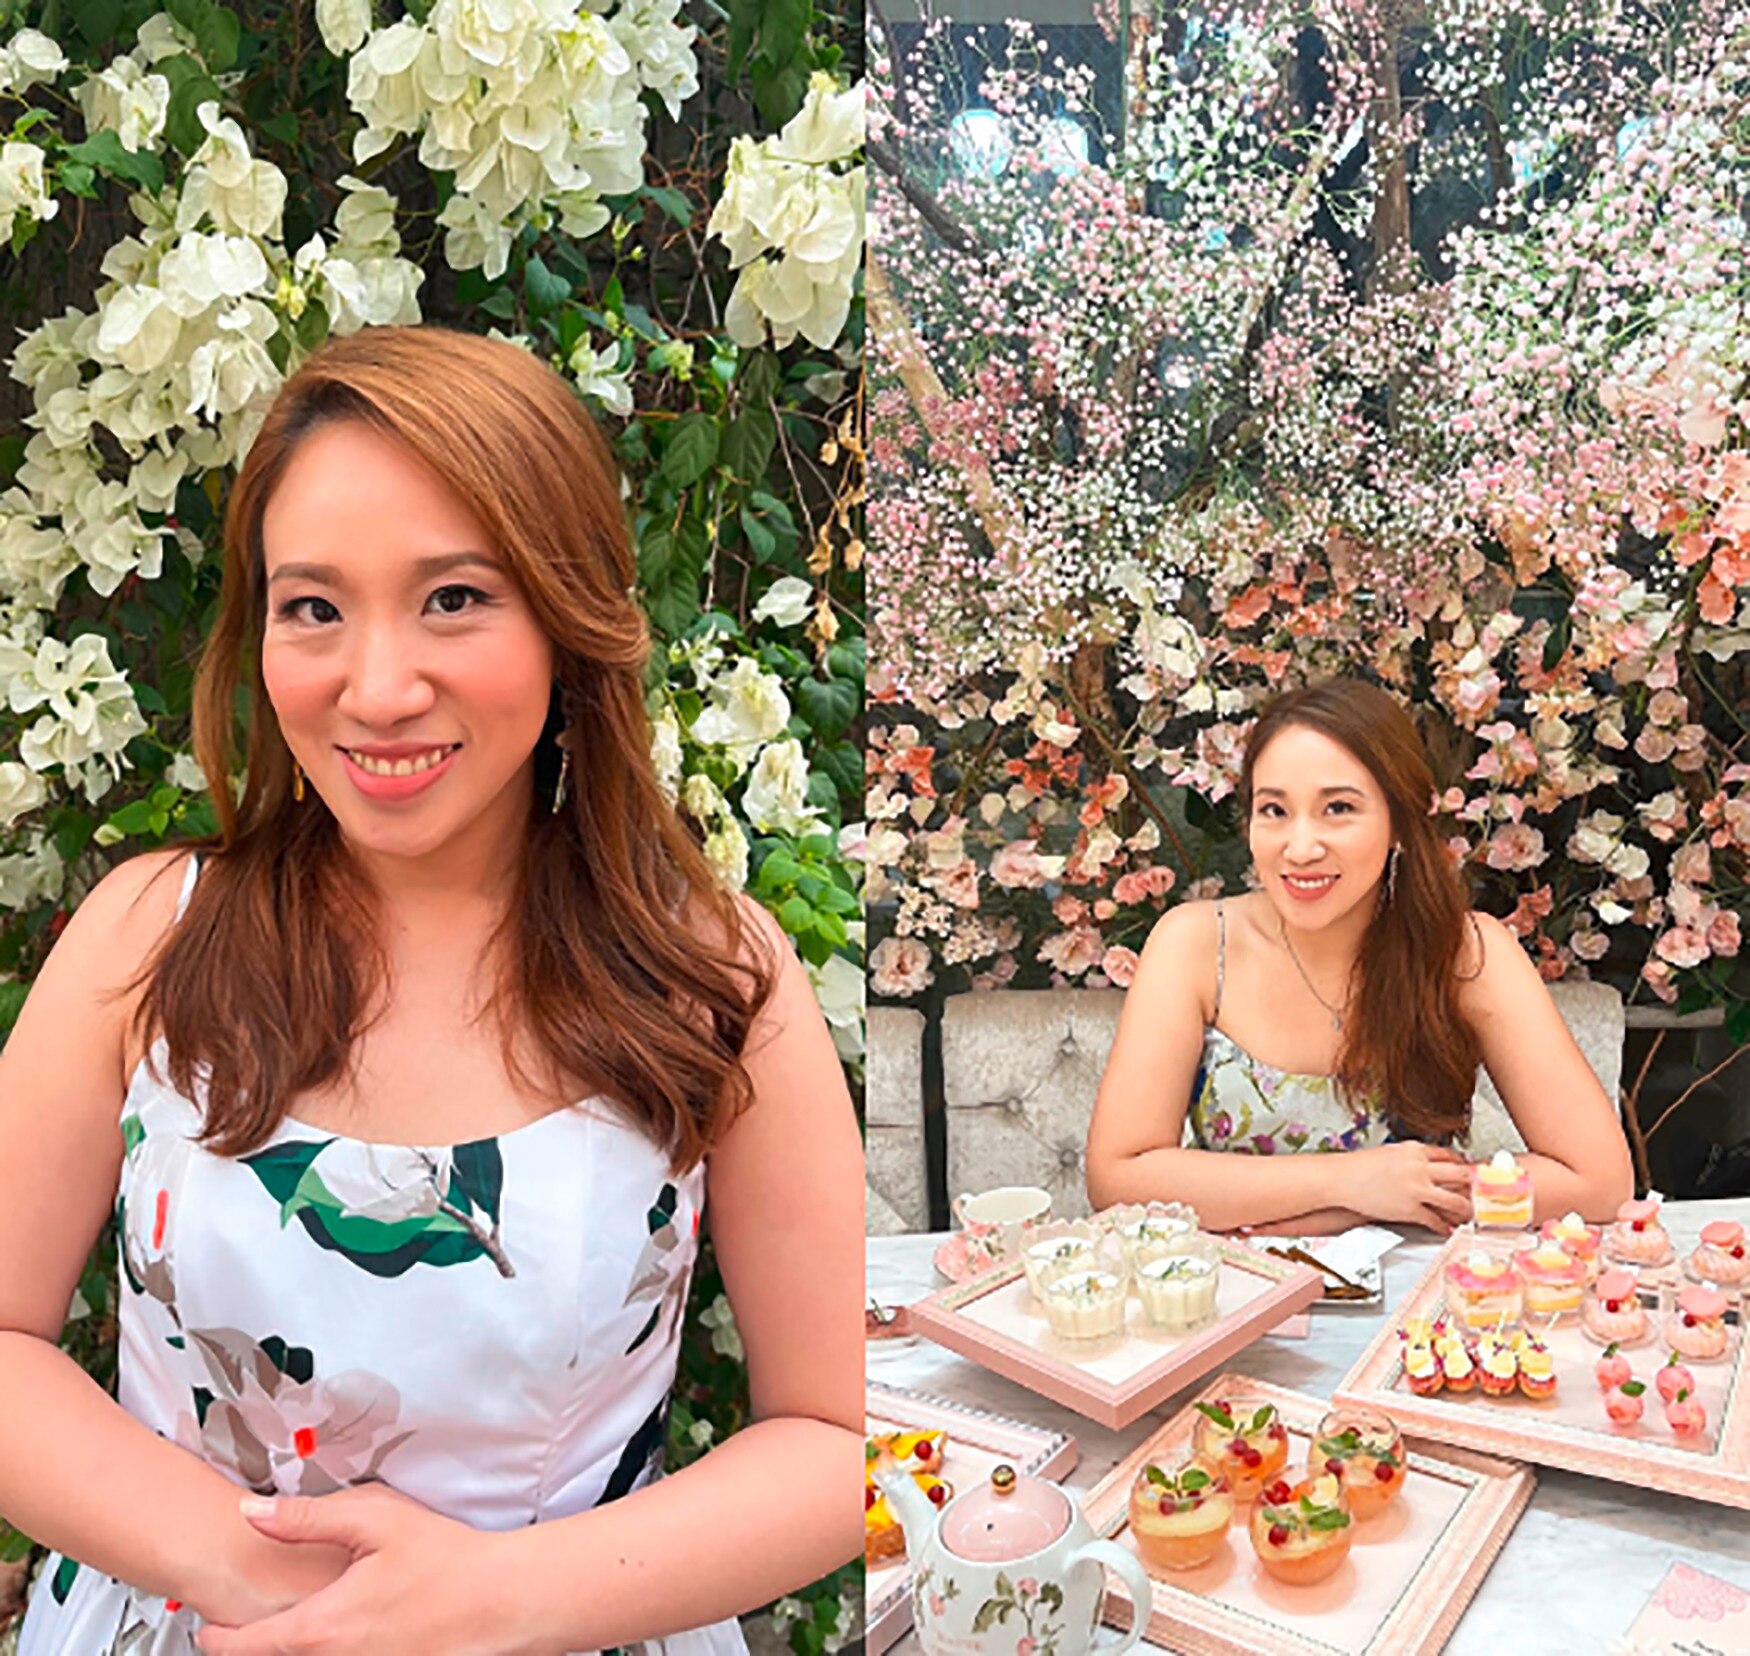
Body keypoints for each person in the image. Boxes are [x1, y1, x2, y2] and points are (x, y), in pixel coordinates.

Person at [0, 327, 862, 1655]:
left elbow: (832, 1433)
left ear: (567, 615)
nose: (379, 686)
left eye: (455, 597)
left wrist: (499, 1603)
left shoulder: (712, 978)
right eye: (314, 607)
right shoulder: (147, 942)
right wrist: (258, 1577)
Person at [1086, 677, 1633, 1235]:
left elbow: (1600, 1181)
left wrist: (1399, 1196)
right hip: (1234, 1297)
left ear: (1399, 820)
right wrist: (1348, 1185)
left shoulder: (1465, 951)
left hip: (1419, 1306)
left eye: (1338, 808)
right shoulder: (1196, 944)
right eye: (1274, 810)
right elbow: (1118, 1178)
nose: (1299, 849)